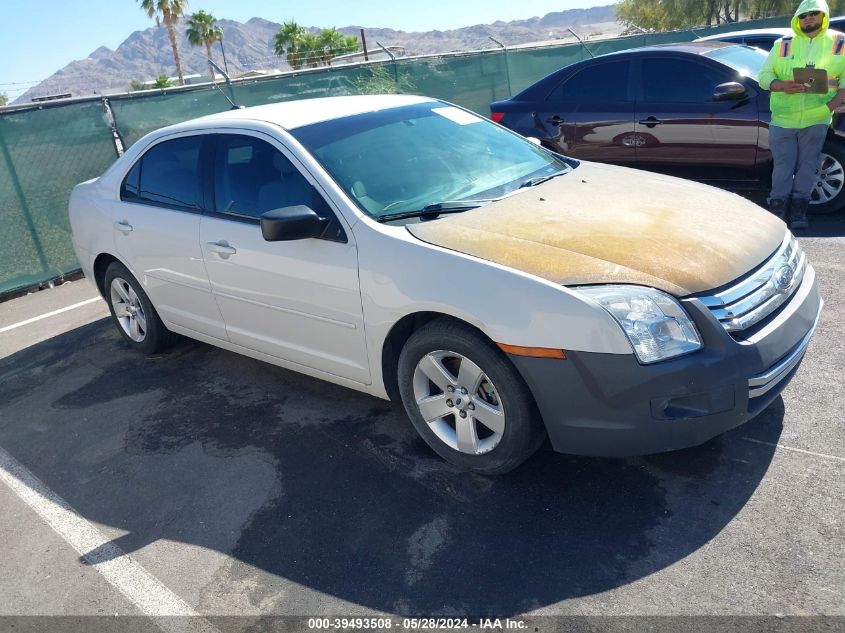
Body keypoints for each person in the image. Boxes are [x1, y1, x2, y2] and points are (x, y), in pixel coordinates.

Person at [759, 0, 845, 229]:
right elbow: (764, 76)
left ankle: (798, 213)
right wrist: (780, 85)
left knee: (808, 166)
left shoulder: (840, 43)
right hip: (783, 118)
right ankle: (777, 211)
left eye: (813, 14)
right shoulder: (783, 44)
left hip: (817, 117)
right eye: (804, 15)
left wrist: (833, 105)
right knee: (783, 166)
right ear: (797, 18)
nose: (808, 18)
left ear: (823, 16)